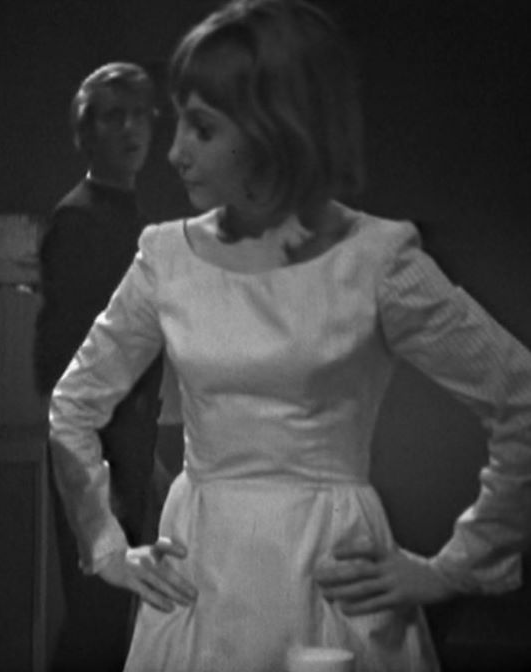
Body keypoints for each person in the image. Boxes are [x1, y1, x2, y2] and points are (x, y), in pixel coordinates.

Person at [46, 1, 531, 670]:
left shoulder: (376, 261)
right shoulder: (166, 257)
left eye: (202, 128)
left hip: (332, 578)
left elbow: (520, 396)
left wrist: (458, 566)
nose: (175, 151)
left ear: (274, 129)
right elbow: (74, 404)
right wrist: (104, 546)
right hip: (201, 577)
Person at [33, 62, 169, 671]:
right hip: (96, 442)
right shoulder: (79, 220)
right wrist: (101, 467)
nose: (131, 128)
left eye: (140, 114)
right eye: (115, 116)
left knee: (116, 618)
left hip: (127, 437)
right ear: (85, 134)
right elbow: (63, 360)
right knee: (98, 615)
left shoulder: (127, 217)